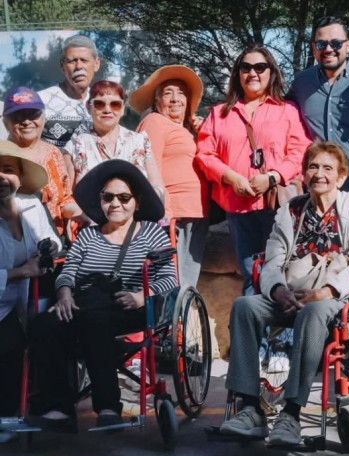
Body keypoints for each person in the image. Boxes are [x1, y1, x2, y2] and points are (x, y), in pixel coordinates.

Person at [218, 142, 349, 445]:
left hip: (331, 298)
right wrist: (277, 292)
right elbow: (273, 259)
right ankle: (250, 408)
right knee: (245, 306)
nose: (320, 174)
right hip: (291, 292)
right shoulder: (291, 210)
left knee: (313, 314)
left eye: (328, 168)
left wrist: (324, 293)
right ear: (304, 174)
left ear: (341, 177)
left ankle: (291, 413)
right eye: (313, 167)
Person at [28, 160, 175, 431]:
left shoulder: (152, 233)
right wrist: (63, 295)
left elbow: (169, 278)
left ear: (137, 202)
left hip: (130, 307)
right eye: (108, 197)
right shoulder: (88, 236)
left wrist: (142, 296)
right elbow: (68, 271)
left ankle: (108, 406)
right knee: (43, 325)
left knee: (95, 322)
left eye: (123, 197)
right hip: (85, 303)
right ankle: (58, 407)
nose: (115, 204)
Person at [196, 45, 311, 295]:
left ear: (271, 73)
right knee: (251, 275)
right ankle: (251, 333)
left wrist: (272, 176)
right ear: (237, 73)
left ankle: (279, 334)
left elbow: (301, 150)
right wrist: (231, 177)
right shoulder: (219, 114)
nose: (253, 73)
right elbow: (205, 154)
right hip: (238, 207)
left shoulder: (286, 111)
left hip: (277, 207)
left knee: (281, 276)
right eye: (245, 68)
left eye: (260, 67)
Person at [131, 65, 209, 289]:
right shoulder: (154, 121)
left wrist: (203, 131)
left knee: (186, 282)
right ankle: (166, 324)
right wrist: (162, 212)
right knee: (167, 281)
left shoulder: (187, 130)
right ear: (156, 102)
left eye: (181, 93)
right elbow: (144, 168)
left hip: (196, 214)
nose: (175, 99)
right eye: (167, 93)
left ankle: (180, 323)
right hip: (172, 215)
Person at [0, 141, 60, 418]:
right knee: (9, 345)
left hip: (19, 304)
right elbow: (26, 269)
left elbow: (52, 242)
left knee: (53, 328)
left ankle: (51, 406)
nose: (1, 176)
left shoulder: (31, 206)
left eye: (8, 169)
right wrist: (23, 271)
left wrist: (47, 251)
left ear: (20, 177)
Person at [287, 16, 349, 194]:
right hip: (316, 189)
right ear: (313, 48)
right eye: (321, 44)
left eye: (336, 43)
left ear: (348, 46)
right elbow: (280, 116)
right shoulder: (301, 83)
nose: (329, 49)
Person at [63, 80, 165, 198]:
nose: (107, 110)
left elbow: (158, 187)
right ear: (88, 107)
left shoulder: (140, 142)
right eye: (99, 104)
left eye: (115, 104)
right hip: (87, 216)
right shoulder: (75, 146)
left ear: (122, 109)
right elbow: (66, 198)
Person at [2, 87, 77, 235]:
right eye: (17, 116)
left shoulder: (54, 153)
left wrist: (79, 213)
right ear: (6, 123)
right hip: (14, 242)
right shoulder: (2, 155)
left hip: (56, 241)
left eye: (33, 114)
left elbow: (65, 199)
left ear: (43, 118)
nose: (26, 121)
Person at [38, 35, 101, 148]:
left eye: (84, 60)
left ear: (96, 64)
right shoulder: (41, 100)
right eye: (72, 61)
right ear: (62, 66)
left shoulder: (104, 102)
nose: (79, 66)